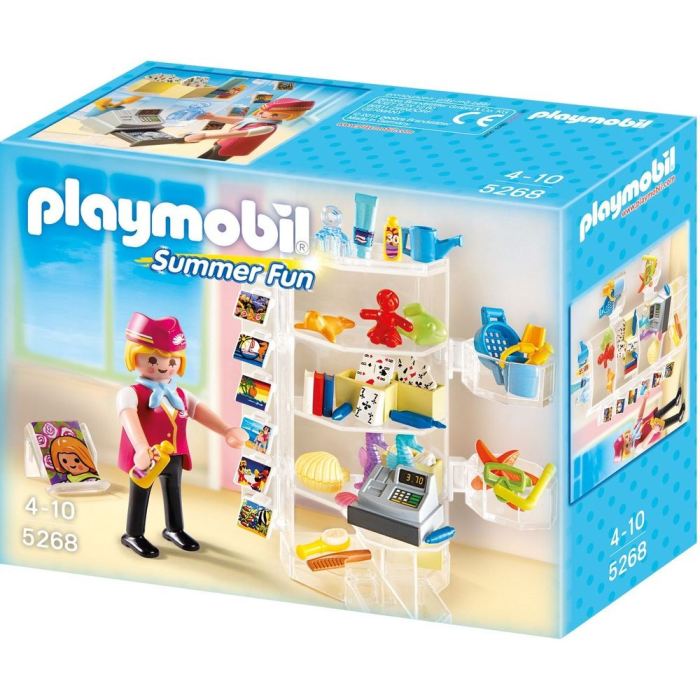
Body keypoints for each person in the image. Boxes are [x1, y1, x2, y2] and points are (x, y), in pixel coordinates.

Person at [117, 312, 246, 559]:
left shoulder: (180, 395)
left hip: (174, 454)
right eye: (153, 359)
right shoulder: (130, 393)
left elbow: (199, 411)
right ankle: (133, 534)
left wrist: (227, 430)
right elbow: (128, 418)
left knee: (173, 492)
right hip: (148, 456)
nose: (164, 366)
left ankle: (174, 529)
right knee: (140, 494)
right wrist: (141, 448)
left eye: (172, 361)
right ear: (133, 357)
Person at [183, 97, 315, 160]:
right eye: (264, 111)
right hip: (223, 143)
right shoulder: (256, 120)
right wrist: (213, 117)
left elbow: (242, 134)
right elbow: (236, 121)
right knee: (202, 158)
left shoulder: (268, 127)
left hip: (231, 147)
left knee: (211, 161)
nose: (264, 114)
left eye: (274, 114)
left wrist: (205, 136)